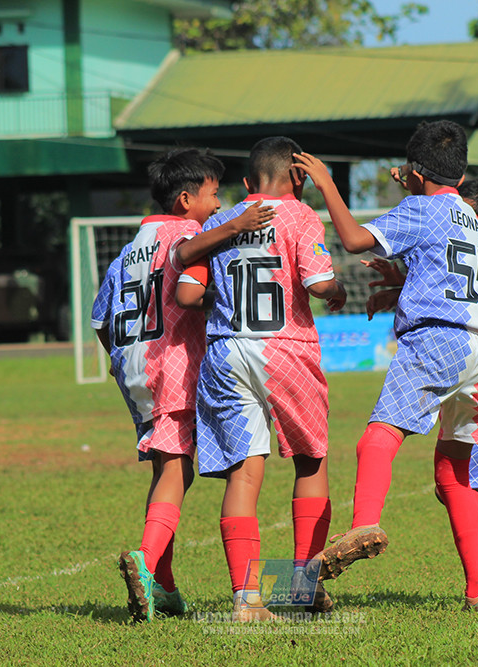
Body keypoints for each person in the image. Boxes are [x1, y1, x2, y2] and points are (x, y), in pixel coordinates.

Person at [294, 120, 478, 611]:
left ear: (415, 172)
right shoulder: (469, 218)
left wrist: (326, 183)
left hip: (436, 340)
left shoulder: (421, 207)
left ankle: (364, 523)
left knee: (379, 435)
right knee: (454, 476)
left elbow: (351, 239)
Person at [92, 148, 275, 623]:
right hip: (174, 365)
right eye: (213, 195)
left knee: (169, 472)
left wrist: (119, 356)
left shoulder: (129, 248)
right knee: (176, 474)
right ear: (186, 198)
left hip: (134, 369)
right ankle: (146, 565)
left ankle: (166, 587)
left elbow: (99, 317)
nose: (218, 205)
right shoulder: (190, 234)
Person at [176, 136, 347, 621]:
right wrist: (338, 291)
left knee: (245, 472)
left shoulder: (218, 222)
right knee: (311, 460)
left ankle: (246, 599)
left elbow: (188, 293)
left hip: (227, 352)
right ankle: (302, 586)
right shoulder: (300, 217)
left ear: (248, 181)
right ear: (297, 178)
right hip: (286, 350)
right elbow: (316, 284)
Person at [365, 178, 478, 608]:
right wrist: (399, 287)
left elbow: (456, 301)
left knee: (463, 488)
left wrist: (400, 286)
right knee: (465, 487)